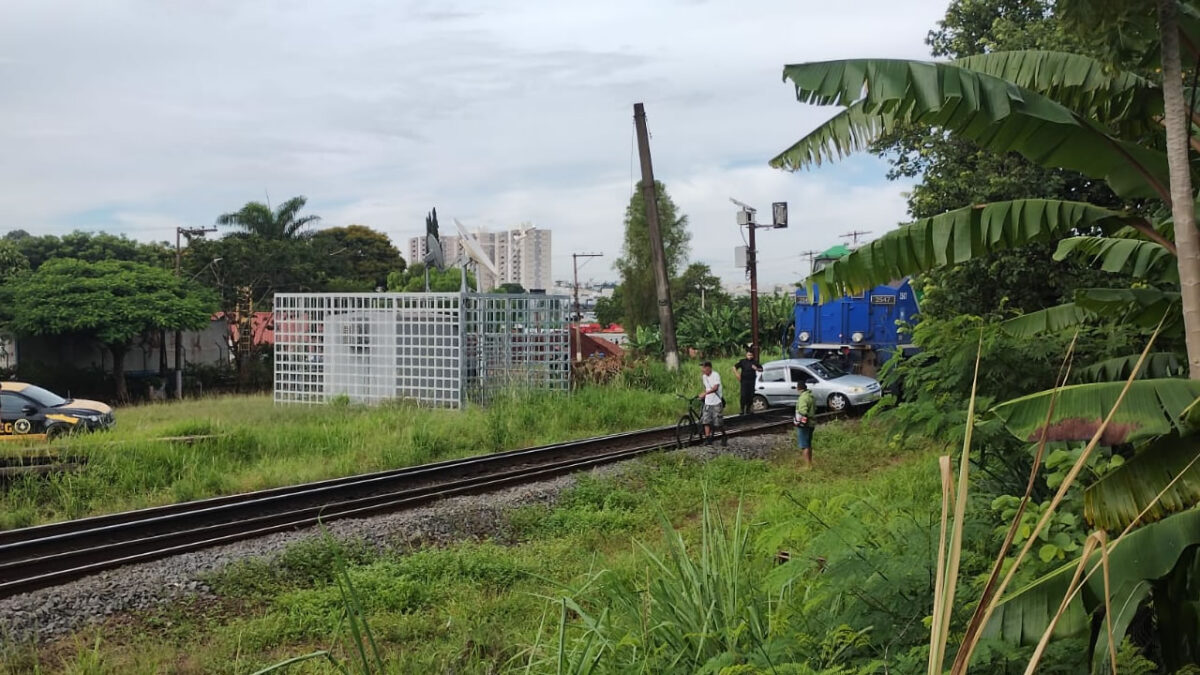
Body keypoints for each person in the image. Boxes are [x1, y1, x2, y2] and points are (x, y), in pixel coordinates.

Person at [698, 360, 726, 446]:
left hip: (716, 402)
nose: (702, 369)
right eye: (702, 368)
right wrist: (703, 395)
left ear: (709, 368)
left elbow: (715, 388)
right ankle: (707, 439)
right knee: (706, 421)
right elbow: (707, 388)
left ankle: (724, 435)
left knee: (717, 422)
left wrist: (705, 394)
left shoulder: (715, 375)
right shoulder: (704, 377)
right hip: (708, 402)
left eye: (704, 367)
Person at [731, 349, 763, 414]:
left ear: (753, 356)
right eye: (748, 355)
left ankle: (748, 409)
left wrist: (756, 369)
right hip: (744, 381)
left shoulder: (755, 362)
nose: (750, 356)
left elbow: (761, 369)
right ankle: (742, 409)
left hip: (752, 381)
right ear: (746, 355)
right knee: (743, 395)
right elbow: (734, 367)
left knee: (751, 395)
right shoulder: (742, 361)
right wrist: (737, 375)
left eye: (751, 355)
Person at [794, 380, 816, 467]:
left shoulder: (803, 397)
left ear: (798, 388)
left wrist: (798, 419)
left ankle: (807, 466)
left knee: (804, 445)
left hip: (805, 425)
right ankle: (810, 463)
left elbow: (803, 411)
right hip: (812, 423)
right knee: (808, 444)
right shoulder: (811, 396)